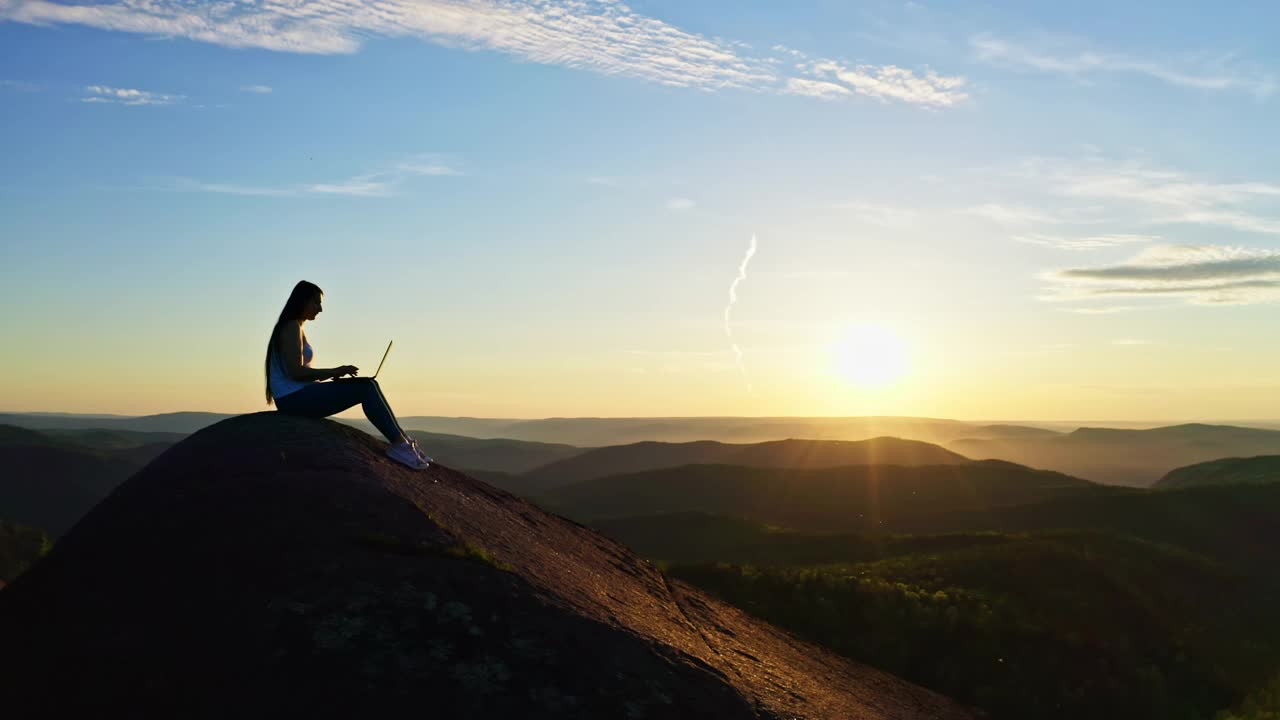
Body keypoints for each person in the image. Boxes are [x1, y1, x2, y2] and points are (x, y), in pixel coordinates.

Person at [264, 280, 430, 470]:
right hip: (293, 400)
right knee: (366, 389)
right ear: (303, 301)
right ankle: (400, 446)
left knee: (369, 384)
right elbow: (296, 372)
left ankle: (404, 441)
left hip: (299, 395)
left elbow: (297, 373)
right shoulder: (291, 326)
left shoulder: (295, 327)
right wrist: (335, 371)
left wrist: (331, 376)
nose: (320, 309)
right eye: (316, 303)